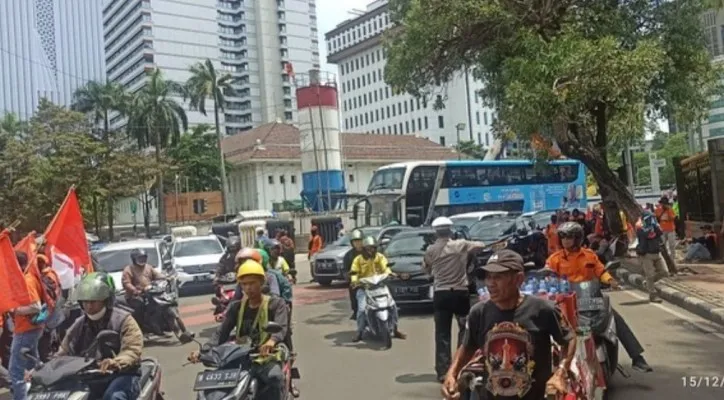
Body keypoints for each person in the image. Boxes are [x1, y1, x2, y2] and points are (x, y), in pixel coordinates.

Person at [442, 250, 576, 400]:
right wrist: (452, 374)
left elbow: (569, 338)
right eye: (488, 277)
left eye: (498, 277)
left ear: (518, 279)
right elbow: (467, 346)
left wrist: (561, 371)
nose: (490, 284)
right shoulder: (478, 312)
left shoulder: (544, 310)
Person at [547, 222, 653, 372]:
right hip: (566, 303)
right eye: (563, 237)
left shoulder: (590, 256)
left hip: (590, 299)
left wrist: (611, 281)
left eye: (569, 237)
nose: (565, 241)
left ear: (577, 238)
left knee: (616, 319)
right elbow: (547, 276)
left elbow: (601, 272)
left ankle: (637, 358)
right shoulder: (554, 259)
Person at [187, 261, 289, 400]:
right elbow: (221, 333)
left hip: (265, 357)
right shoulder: (236, 307)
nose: (248, 288)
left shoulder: (276, 304)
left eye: (252, 283)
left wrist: (272, 341)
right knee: (214, 388)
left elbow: (281, 327)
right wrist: (203, 351)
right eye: (244, 284)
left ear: (261, 282)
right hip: (240, 356)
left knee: (274, 377)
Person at [54, 272, 143, 399]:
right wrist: (42, 371)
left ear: (106, 300)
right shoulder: (79, 324)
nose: (89, 306)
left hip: (123, 375)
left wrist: (115, 362)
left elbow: (132, 349)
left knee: (113, 397)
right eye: (85, 301)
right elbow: (63, 352)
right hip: (89, 378)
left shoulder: (124, 320)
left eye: (94, 301)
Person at [423, 216, 485, 382]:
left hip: (441, 294)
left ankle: (443, 371)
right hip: (460, 293)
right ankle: (461, 364)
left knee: (442, 333)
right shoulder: (460, 245)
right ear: (450, 231)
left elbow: (427, 270)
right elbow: (481, 246)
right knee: (464, 330)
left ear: (436, 232)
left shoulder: (430, 250)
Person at [121, 249, 194, 342]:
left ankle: (183, 330)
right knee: (140, 306)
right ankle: (141, 329)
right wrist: (135, 290)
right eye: (140, 258)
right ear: (134, 259)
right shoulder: (129, 270)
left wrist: (167, 277)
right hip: (136, 296)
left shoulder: (148, 267)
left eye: (144, 257)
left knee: (163, 303)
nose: (142, 260)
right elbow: (126, 283)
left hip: (150, 293)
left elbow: (157, 275)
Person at [350, 236, 405, 346]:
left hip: (380, 286)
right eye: (368, 248)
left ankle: (395, 329)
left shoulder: (380, 257)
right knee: (361, 310)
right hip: (364, 288)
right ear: (364, 249)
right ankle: (360, 332)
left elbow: (386, 268)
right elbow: (354, 272)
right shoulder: (358, 260)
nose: (371, 251)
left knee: (392, 305)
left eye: (373, 248)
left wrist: (390, 273)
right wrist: (354, 281)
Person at [8, 251, 43, 400]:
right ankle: (37, 394)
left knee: (16, 370)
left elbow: (36, 306)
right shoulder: (29, 277)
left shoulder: (27, 280)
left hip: (25, 330)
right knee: (32, 365)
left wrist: (15, 310)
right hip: (31, 328)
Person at [636, 211, 670, 304]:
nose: (651, 220)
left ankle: (648, 283)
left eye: (652, 218)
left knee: (665, 272)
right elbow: (646, 235)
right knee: (650, 275)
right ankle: (653, 295)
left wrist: (655, 225)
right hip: (646, 255)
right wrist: (646, 225)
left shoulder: (655, 227)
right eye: (649, 218)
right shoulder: (641, 229)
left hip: (657, 253)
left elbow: (659, 233)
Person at [343, 229, 365, 320]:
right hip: (357, 283)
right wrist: (349, 276)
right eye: (355, 241)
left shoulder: (370, 252)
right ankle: (356, 313)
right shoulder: (349, 256)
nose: (358, 243)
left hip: (371, 281)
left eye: (359, 241)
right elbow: (346, 271)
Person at [655, 197, 677, 264]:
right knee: (663, 244)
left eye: (665, 203)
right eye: (662, 203)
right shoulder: (658, 210)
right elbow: (656, 217)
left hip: (671, 229)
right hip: (662, 229)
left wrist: (668, 211)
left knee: (672, 244)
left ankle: (672, 258)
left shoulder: (670, 209)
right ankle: (664, 259)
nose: (663, 205)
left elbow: (673, 218)